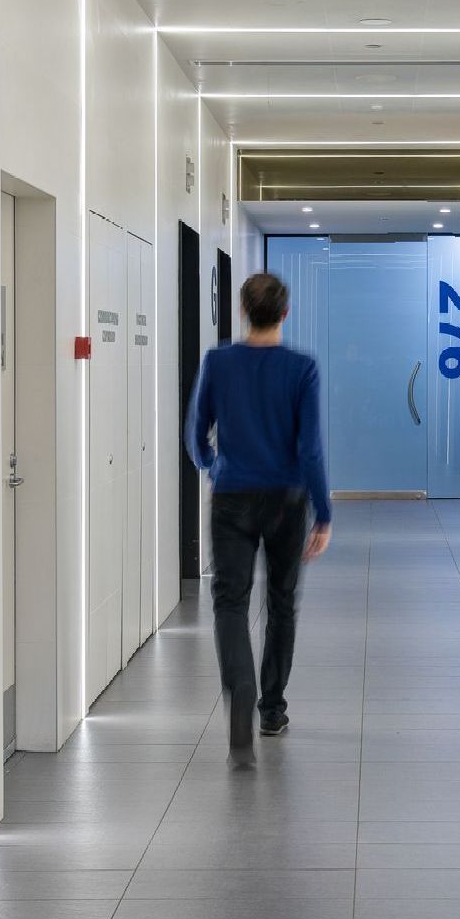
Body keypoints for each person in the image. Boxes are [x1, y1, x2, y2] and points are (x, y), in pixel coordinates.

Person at [185, 271, 332, 769]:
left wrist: (212, 465)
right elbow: (309, 448)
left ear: (244, 311)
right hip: (287, 502)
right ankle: (271, 709)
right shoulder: (302, 368)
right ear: (285, 313)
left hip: (232, 498)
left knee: (230, 602)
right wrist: (324, 512)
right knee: (282, 604)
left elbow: (194, 431)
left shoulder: (219, 362)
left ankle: (241, 690)